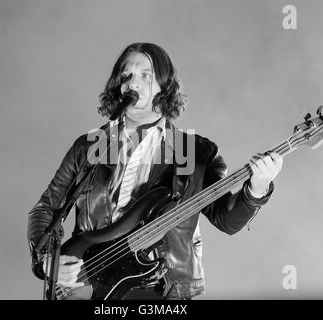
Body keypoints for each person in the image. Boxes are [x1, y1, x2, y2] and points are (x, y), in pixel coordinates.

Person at [27, 42, 283, 300]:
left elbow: (226, 219)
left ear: (164, 85)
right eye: (126, 76)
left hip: (160, 290)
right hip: (85, 283)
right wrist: (48, 260)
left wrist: (257, 188)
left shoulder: (191, 151)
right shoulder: (91, 147)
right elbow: (46, 208)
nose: (132, 83)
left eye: (145, 75)